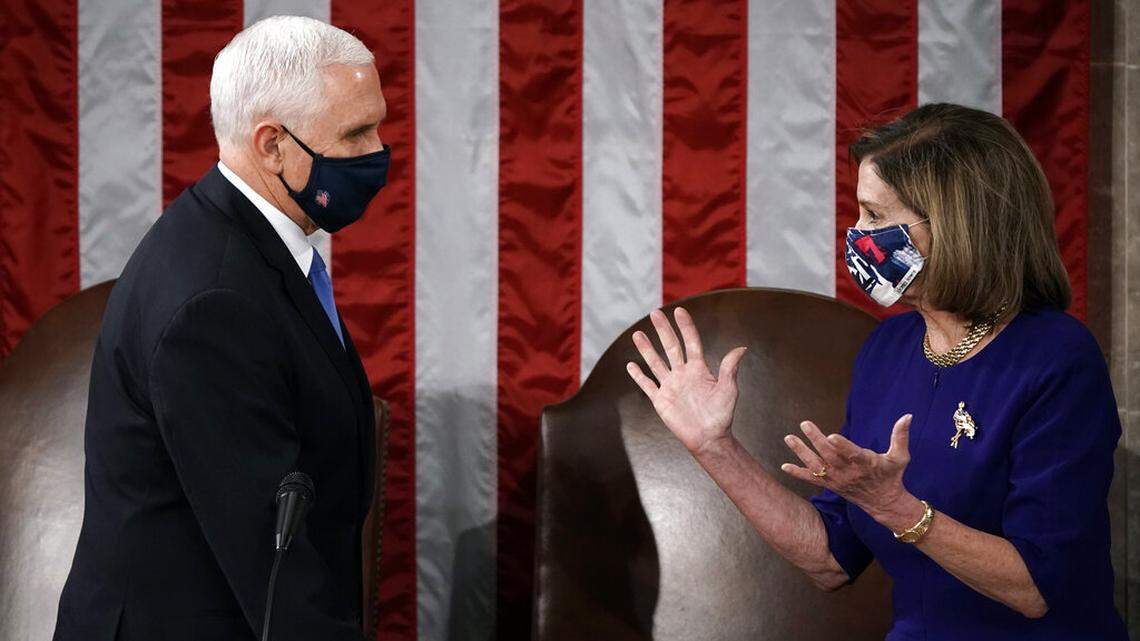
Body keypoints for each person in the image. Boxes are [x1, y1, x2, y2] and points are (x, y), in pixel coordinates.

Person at [626, 103, 1128, 640]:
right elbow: (829, 557)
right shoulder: (887, 348)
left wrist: (897, 507)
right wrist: (713, 447)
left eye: (874, 215)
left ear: (957, 224)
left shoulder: (1057, 358)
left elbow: (1037, 589)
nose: (857, 233)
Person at [52, 16, 389, 641]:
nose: (378, 153)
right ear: (271, 145)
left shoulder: (243, 239)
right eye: (356, 133)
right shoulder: (216, 300)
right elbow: (273, 564)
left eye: (378, 125)